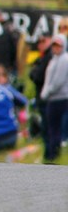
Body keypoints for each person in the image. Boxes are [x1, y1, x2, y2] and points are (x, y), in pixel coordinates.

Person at [40, 34, 68, 163]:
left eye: (59, 45)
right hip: (52, 98)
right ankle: (50, 154)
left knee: (56, 128)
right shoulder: (54, 59)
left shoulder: (64, 59)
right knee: (51, 128)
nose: (56, 48)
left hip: (60, 98)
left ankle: (55, 154)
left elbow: (58, 81)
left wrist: (46, 93)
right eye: (54, 45)